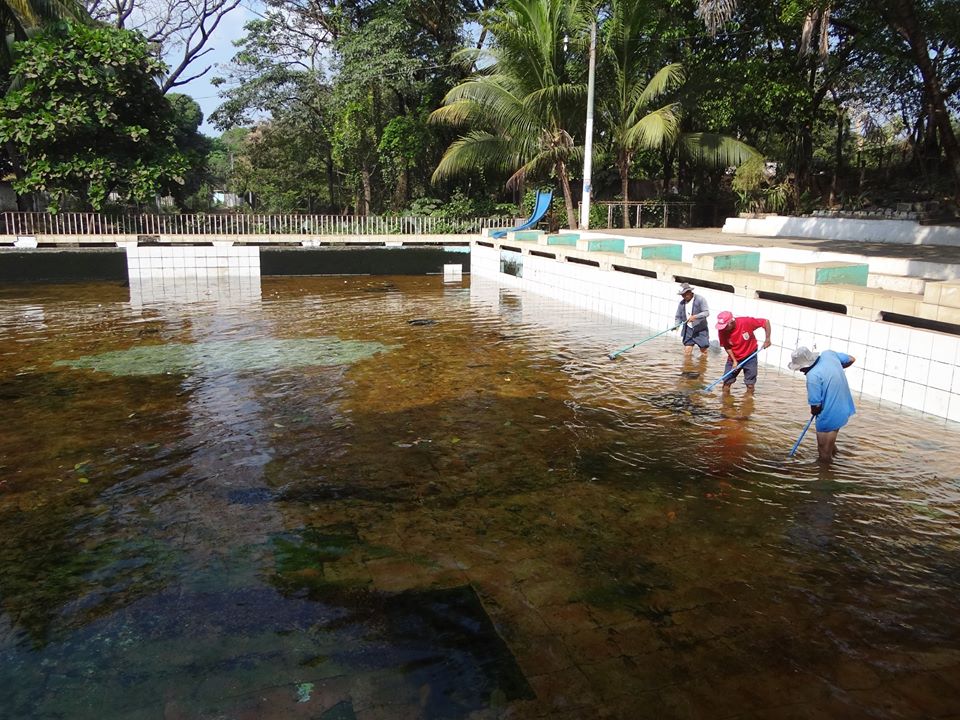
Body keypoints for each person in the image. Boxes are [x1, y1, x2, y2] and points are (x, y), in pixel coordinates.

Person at [788, 346, 856, 463]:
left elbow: (816, 406)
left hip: (830, 415)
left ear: (805, 366)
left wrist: (813, 411)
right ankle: (840, 462)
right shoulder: (829, 355)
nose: (800, 371)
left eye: (800, 368)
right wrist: (835, 370)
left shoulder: (812, 376)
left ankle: (825, 476)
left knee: (823, 454)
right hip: (845, 405)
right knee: (830, 446)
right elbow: (851, 359)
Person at [715, 310, 772, 396]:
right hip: (734, 357)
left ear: (731, 322)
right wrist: (734, 361)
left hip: (750, 356)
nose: (723, 329)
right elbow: (727, 346)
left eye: (725, 326)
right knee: (727, 382)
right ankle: (725, 404)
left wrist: (767, 339)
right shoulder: (722, 331)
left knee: (750, 384)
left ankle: (748, 404)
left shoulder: (746, 322)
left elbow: (765, 322)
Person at [674, 282, 710, 357]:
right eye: (682, 295)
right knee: (687, 350)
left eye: (685, 294)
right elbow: (678, 316)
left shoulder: (700, 299)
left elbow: (706, 313)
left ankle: (702, 366)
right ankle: (687, 367)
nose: (684, 296)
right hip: (688, 329)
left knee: (704, 350)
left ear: (689, 292)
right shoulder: (682, 303)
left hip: (700, 329)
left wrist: (695, 316)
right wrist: (676, 325)